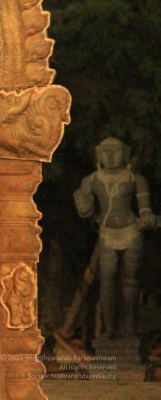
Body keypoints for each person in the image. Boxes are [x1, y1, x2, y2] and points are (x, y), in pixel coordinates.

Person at [74, 137, 156, 338]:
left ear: (125, 153)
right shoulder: (91, 180)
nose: (110, 156)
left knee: (131, 281)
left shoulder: (135, 179)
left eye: (115, 151)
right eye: (106, 152)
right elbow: (85, 210)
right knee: (107, 280)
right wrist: (84, 208)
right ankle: (109, 329)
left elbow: (145, 208)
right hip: (106, 233)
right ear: (98, 154)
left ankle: (130, 329)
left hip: (132, 231)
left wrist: (146, 217)